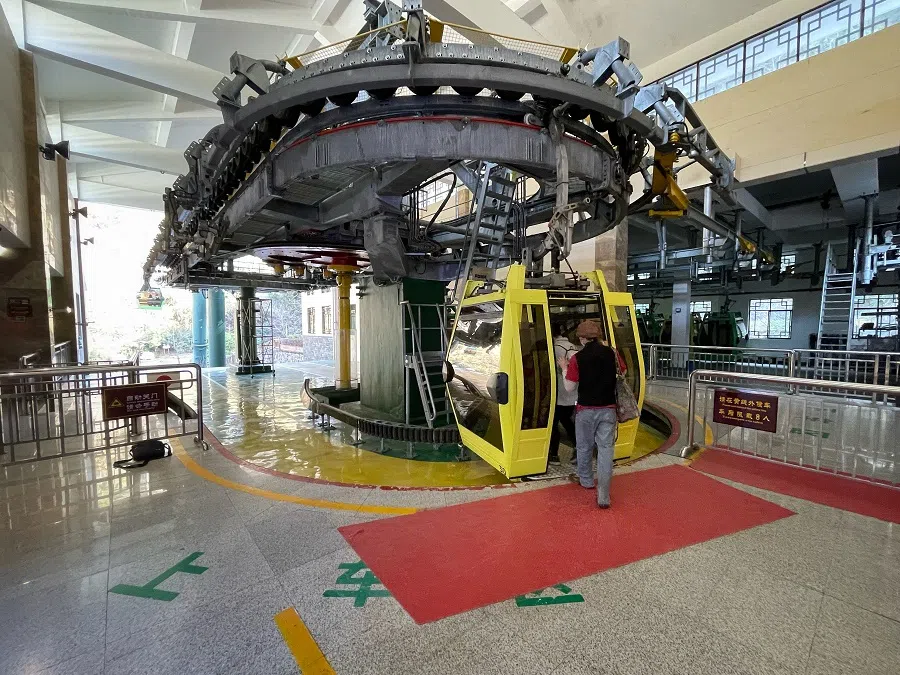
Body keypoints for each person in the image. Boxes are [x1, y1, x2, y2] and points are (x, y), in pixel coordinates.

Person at [556, 319, 618, 509]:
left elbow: (569, 387)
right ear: (597, 336)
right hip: (608, 409)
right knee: (606, 449)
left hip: (586, 410)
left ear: (582, 339)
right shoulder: (612, 353)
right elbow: (621, 371)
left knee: (584, 447)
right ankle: (604, 495)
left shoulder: (578, 358)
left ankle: (586, 481)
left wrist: (564, 367)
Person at [549, 323, 579, 464]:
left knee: (553, 424)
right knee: (567, 421)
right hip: (573, 393)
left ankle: (553, 454)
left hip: (558, 393)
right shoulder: (573, 347)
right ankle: (578, 447)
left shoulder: (553, 349)